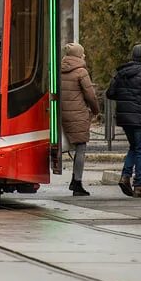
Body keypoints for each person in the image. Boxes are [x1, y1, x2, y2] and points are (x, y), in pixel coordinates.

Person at [107, 44, 141, 197]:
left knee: (134, 147)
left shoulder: (120, 73)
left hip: (124, 118)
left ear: (132, 56)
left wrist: (125, 98)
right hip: (140, 118)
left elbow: (110, 93)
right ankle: (139, 185)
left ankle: (125, 176)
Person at [58, 43, 101, 197]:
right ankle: (77, 182)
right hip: (77, 114)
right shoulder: (81, 72)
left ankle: (74, 180)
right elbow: (90, 95)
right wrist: (96, 110)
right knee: (81, 147)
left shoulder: (58, 70)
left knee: (66, 145)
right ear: (78, 55)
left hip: (62, 113)